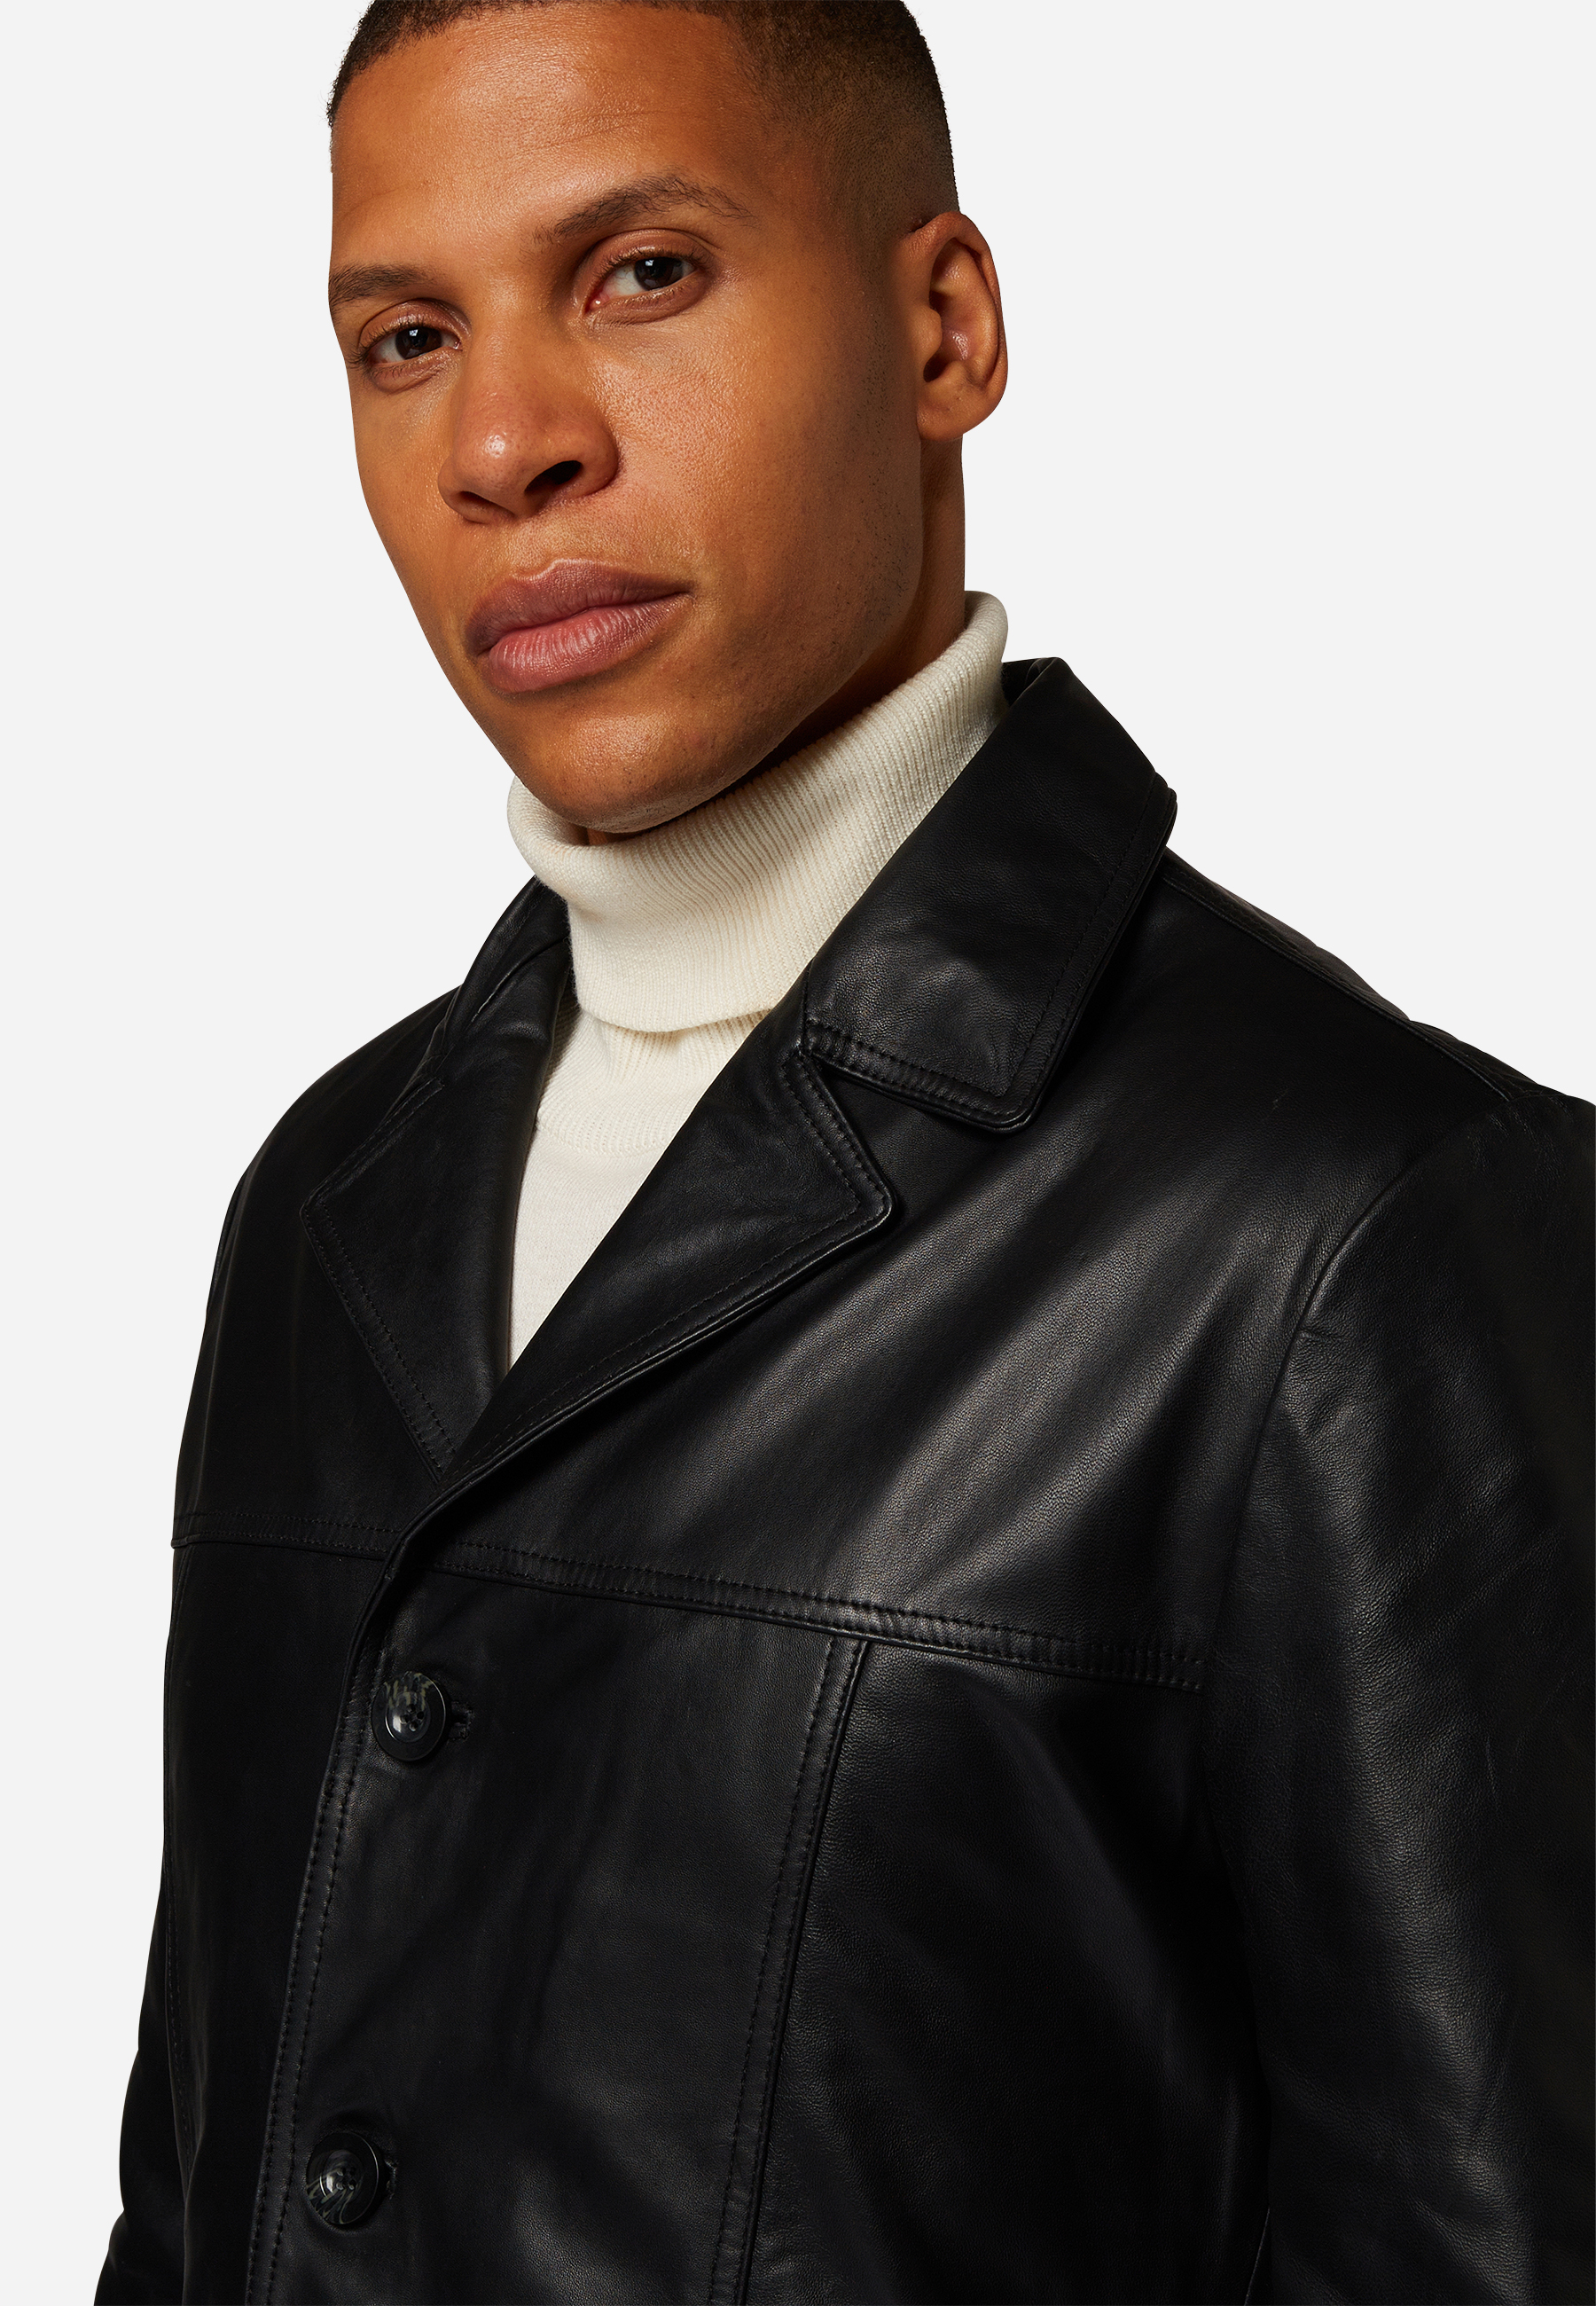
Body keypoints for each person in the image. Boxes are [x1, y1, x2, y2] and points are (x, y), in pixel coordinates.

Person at [98, 4, 1592, 2301]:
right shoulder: (327, 1205)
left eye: (641, 274)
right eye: (406, 338)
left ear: (944, 329)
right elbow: (200, 2190)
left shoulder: (1360, 1232)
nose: (503, 443)